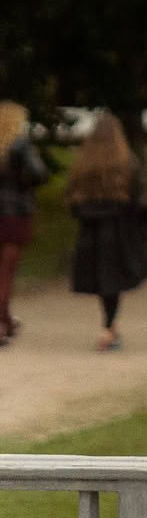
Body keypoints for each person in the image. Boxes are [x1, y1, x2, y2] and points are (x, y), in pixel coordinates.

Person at [67, 115, 147, 352]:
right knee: (112, 279)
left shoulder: (83, 163)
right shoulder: (128, 162)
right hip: (118, 228)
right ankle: (109, 328)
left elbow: (71, 198)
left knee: (103, 278)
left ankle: (109, 325)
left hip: (91, 230)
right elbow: (140, 197)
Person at [0, 101, 47, 346]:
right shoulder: (20, 145)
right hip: (13, 213)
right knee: (6, 273)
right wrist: (25, 184)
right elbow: (39, 173)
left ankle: (6, 319)